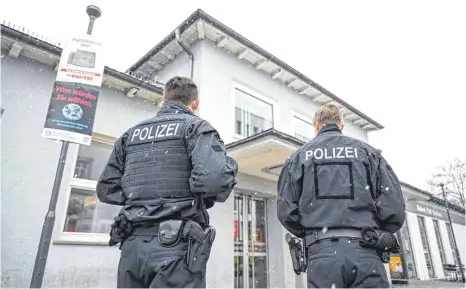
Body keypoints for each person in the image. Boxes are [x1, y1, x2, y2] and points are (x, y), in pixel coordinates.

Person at [96, 76, 239, 288]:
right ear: (195, 103)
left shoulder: (131, 134)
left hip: (132, 247)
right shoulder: (195, 127)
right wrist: (230, 166)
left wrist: (143, 201)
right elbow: (213, 181)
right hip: (175, 250)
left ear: (164, 100)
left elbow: (106, 189)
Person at [277, 103, 405, 288]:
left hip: (322, 255)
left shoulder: (298, 158)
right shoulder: (368, 154)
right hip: (366, 252)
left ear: (316, 125)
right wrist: (375, 232)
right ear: (341, 125)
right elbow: (394, 208)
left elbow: (285, 211)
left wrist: (313, 232)